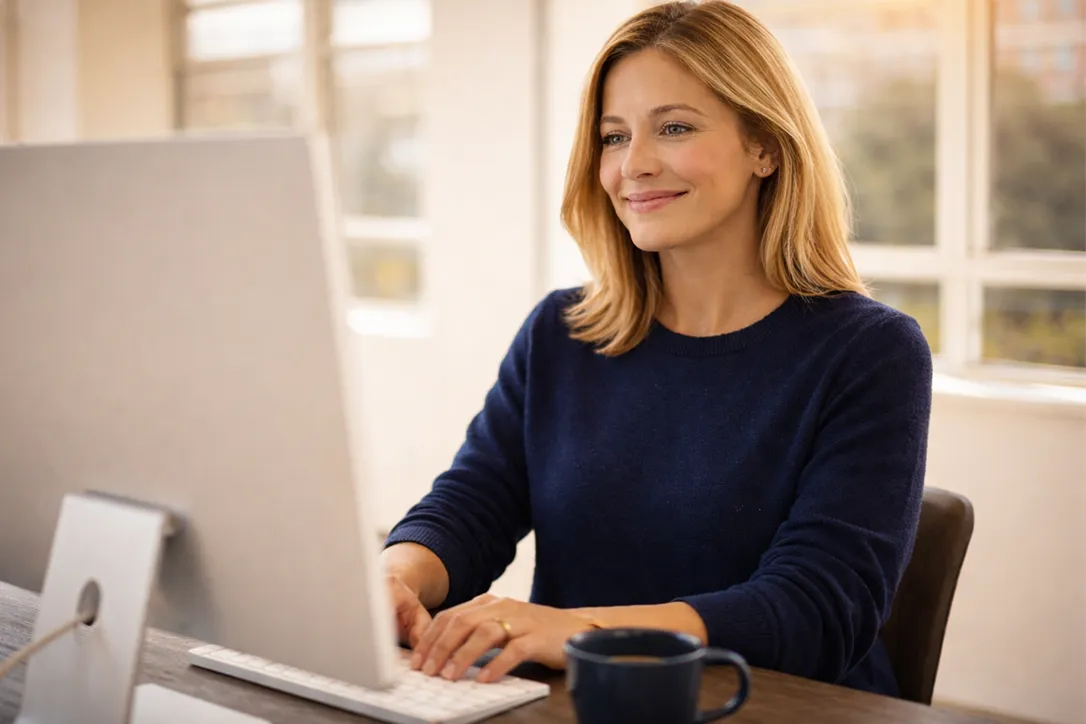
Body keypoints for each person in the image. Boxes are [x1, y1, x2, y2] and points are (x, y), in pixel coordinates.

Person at [380, 0, 932, 698]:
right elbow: (471, 506)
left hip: (773, 711)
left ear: (764, 145)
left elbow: (816, 609)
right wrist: (396, 574)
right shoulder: (562, 332)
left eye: (673, 127)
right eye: (613, 137)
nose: (634, 165)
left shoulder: (870, 352)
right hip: (585, 707)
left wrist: (577, 629)